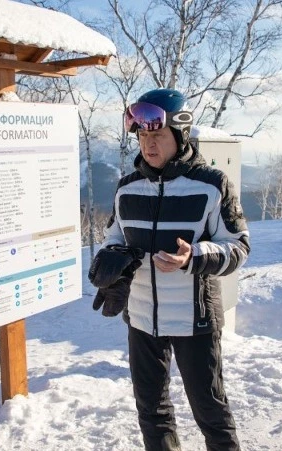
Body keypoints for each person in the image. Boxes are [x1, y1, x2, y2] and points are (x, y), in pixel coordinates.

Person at [89, 88, 250, 450]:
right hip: (142, 318)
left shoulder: (211, 185)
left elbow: (239, 246)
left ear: (179, 135)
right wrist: (113, 262)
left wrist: (193, 256)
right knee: (151, 410)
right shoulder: (127, 188)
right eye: (143, 135)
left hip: (195, 319)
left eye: (157, 135)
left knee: (210, 412)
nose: (148, 144)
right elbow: (113, 236)